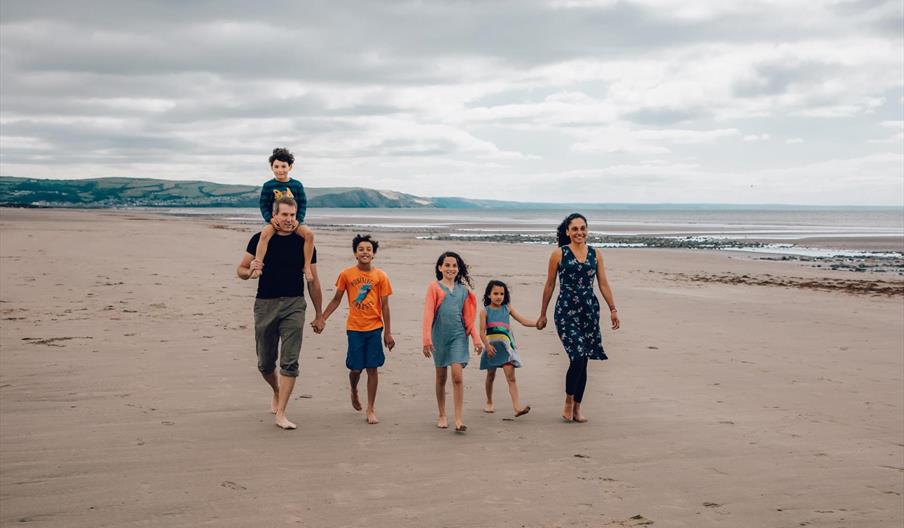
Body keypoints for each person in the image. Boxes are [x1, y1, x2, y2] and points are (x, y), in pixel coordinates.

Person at [236, 196, 324, 430]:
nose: (289, 220)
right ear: (274, 215)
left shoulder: (303, 242)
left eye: (293, 215)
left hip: (294, 304)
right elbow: (241, 270)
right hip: (265, 304)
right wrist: (250, 270)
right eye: (284, 215)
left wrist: (319, 314)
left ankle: (282, 412)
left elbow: (313, 282)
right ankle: (276, 390)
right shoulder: (259, 239)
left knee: (290, 361)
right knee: (265, 364)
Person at [538, 213, 620, 423]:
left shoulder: (596, 254)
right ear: (567, 232)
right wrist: (543, 314)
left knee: (584, 361)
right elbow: (549, 285)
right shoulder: (559, 254)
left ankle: (577, 407)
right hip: (565, 310)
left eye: (582, 228)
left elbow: (603, 283)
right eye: (574, 229)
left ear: (587, 230)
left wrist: (613, 309)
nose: (579, 232)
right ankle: (568, 401)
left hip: (589, 311)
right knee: (578, 356)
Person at [321, 234, 395, 425]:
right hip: (354, 328)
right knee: (355, 368)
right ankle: (354, 389)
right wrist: (322, 317)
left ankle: (370, 408)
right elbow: (337, 299)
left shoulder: (381, 276)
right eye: (361, 249)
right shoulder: (346, 274)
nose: (365, 252)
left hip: (374, 328)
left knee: (372, 368)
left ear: (374, 254)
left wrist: (387, 332)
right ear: (355, 253)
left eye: (369, 250)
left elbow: (385, 306)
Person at [422, 251, 483, 432]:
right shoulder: (434, 288)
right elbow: (428, 315)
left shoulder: (463, 292)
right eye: (447, 265)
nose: (451, 268)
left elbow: (469, 319)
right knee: (441, 377)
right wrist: (426, 339)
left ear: (458, 269)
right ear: (440, 268)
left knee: (457, 376)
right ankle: (442, 414)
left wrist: (476, 339)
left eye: (454, 265)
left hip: (458, 336)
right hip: (439, 337)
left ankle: (458, 419)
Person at [250, 147, 316, 282]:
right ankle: (257, 266)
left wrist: (298, 220)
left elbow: (302, 204)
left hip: (294, 221)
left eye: (283, 166)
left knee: (309, 234)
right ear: (272, 167)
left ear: (290, 167)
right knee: (264, 235)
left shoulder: (297, 185)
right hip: (275, 221)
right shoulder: (268, 185)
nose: (280, 170)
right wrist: (270, 219)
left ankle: (307, 266)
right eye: (277, 166)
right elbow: (263, 205)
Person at [479, 280, 535, 417]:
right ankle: (489, 401)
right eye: (495, 293)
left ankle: (517, 408)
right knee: (490, 376)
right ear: (488, 295)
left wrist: (537, 323)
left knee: (511, 378)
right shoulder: (484, 312)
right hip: (492, 348)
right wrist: (487, 345)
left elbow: (523, 320)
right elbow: (481, 332)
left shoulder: (507, 308)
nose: (499, 296)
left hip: (506, 349)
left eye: (502, 294)